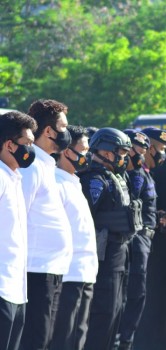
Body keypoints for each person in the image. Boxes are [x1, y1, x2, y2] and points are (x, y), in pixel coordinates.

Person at [19, 99, 73, 350]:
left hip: (51, 268)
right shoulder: (31, 167)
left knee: (46, 339)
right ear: (49, 131)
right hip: (36, 270)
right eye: (63, 126)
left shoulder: (46, 165)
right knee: (35, 340)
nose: (67, 132)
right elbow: (20, 216)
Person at [78, 127, 137, 350]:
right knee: (103, 313)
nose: (124, 158)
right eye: (120, 152)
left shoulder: (115, 177)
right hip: (105, 256)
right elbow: (87, 220)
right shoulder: (94, 180)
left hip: (120, 252)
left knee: (116, 311)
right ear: (106, 151)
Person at [118, 128, 166, 350]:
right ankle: (123, 341)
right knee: (133, 293)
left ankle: (127, 340)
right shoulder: (134, 175)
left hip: (145, 238)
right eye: (139, 148)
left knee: (138, 294)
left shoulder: (144, 173)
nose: (144, 151)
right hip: (136, 240)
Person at [51, 125, 98, 350]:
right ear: (66, 151)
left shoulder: (74, 181)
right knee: (65, 337)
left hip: (85, 271)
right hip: (68, 274)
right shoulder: (56, 183)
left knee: (79, 334)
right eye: (83, 149)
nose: (87, 155)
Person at [0, 111, 37, 350]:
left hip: (16, 288)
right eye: (28, 144)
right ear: (9, 145)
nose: (32, 150)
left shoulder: (14, 177)